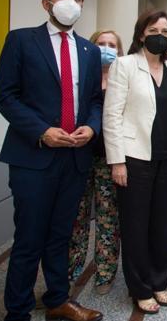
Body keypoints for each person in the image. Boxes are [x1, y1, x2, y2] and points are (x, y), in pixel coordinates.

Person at [0, 0, 103, 321]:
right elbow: (6, 96)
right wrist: (42, 131)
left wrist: (91, 126)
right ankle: (18, 311)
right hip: (33, 157)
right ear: (46, 3)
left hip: (74, 158)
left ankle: (58, 299)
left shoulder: (89, 50)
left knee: (61, 236)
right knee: (29, 238)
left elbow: (95, 101)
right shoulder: (22, 41)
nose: (70, 2)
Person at [103, 10, 167, 315]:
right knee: (136, 226)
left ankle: (160, 282)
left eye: (165, 30)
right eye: (154, 29)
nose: (160, 34)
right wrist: (117, 161)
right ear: (141, 34)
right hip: (136, 159)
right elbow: (112, 115)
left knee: (164, 225)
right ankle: (140, 287)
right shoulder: (124, 65)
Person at [68, 30, 123, 296]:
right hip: (77, 155)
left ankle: (104, 273)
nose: (106, 48)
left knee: (107, 217)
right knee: (75, 217)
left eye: (112, 45)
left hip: (108, 158)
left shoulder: (123, 78)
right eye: (101, 43)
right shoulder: (82, 76)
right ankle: (71, 270)